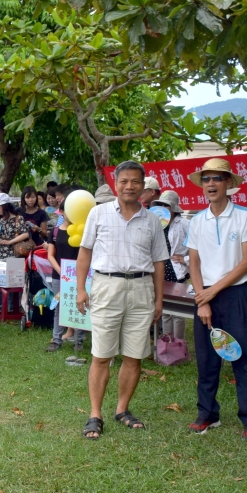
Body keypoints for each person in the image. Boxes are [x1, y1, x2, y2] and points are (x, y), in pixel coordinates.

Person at [76, 161, 168, 440]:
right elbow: (84, 253)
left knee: (134, 355)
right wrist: (81, 289)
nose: (130, 186)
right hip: (106, 286)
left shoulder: (152, 220)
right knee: (101, 355)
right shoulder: (98, 213)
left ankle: (122, 409)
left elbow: (159, 262)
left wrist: (159, 299)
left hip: (142, 288)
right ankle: (95, 415)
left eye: (135, 182)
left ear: (144, 186)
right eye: (124, 181)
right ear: (116, 184)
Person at [185, 158, 247, 440]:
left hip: (237, 295)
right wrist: (203, 299)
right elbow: (193, 264)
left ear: (229, 183)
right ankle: (207, 414)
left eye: (217, 178)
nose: (211, 184)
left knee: (246, 357)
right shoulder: (196, 221)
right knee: (207, 358)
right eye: (206, 179)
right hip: (205, 295)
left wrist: (212, 291)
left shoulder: (245, 216)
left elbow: (245, 263)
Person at [46, 200, 85, 353]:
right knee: (59, 307)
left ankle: (79, 340)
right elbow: (50, 255)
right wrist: (61, 271)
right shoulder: (55, 232)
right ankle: (56, 339)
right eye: (67, 210)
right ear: (61, 211)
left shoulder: (83, 230)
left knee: (80, 307)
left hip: (80, 275)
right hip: (59, 275)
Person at [151, 191, 189, 342]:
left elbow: (197, 247)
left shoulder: (184, 223)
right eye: (161, 204)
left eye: (167, 205)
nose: (163, 208)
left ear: (174, 208)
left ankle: (178, 344)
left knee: (178, 312)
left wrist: (185, 258)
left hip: (177, 271)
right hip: (161, 268)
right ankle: (166, 344)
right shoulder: (157, 223)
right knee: (165, 309)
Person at [0, 193, 30, 260]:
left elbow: (26, 234)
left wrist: (10, 241)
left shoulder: (18, 218)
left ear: (5, 206)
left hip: (12, 255)